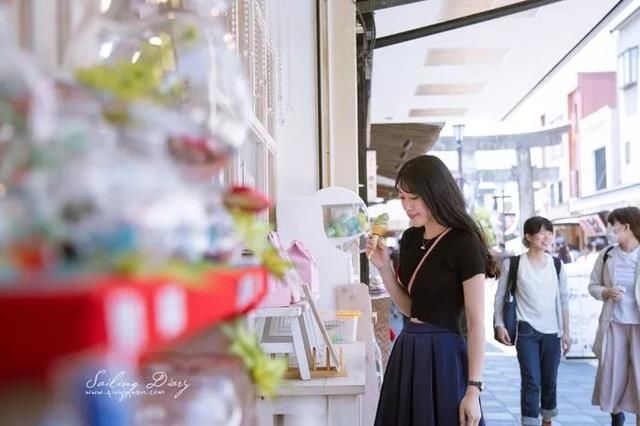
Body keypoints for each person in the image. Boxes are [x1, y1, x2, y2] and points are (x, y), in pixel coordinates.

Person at [367, 155, 498, 426]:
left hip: (445, 356)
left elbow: (476, 322)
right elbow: (411, 309)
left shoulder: (464, 243)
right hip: (408, 351)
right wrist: (384, 268)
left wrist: (473, 390)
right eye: (402, 197)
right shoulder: (410, 238)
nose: (407, 206)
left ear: (435, 193)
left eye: (414, 197)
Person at [494, 216, 570, 426]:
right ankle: (529, 422)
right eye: (541, 232)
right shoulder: (514, 264)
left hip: (552, 332)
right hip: (526, 330)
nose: (547, 237)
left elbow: (564, 300)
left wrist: (566, 332)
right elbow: (500, 297)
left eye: (550, 233)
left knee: (549, 380)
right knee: (531, 381)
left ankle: (547, 419)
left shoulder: (557, 265)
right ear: (528, 236)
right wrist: (499, 324)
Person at [589, 207, 640, 426]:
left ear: (627, 227)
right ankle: (616, 417)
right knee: (613, 376)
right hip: (614, 324)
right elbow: (593, 285)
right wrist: (606, 292)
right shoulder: (607, 254)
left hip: (638, 326)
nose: (610, 230)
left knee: (639, 378)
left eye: (613, 225)